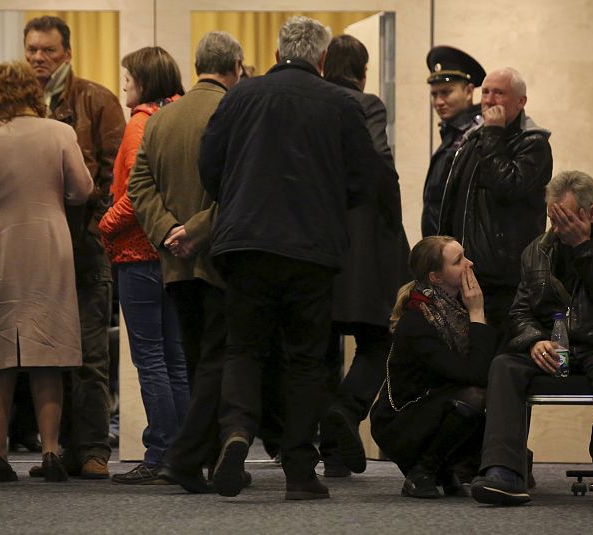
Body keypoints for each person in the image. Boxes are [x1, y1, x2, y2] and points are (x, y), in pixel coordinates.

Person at [199, 16, 393, 501]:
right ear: (322, 59)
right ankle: (300, 473)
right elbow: (367, 177)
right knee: (306, 360)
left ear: (277, 49)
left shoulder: (240, 96)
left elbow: (209, 166)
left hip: (244, 244)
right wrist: (329, 203)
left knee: (244, 348)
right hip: (310, 249)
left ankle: (238, 432)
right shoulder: (338, 104)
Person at [470, 170, 593, 506]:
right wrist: (534, 340)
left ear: (590, 214)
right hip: (557, 346)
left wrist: (583, 247)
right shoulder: (537, 251)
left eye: (565, 219)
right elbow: (519, 313)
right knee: (504, 366)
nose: (557, 229)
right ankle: (503, 471)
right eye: (553, 219)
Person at [127, 31, 243, 493]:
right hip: (219, 258)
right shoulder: (234, 114)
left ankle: (197, 461)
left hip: (172, 264)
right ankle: (193, 457)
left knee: (196, 361)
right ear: (235, 66)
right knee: (218, 361)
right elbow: (237, 188)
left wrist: (168, 232)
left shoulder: (159, 119)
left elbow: (138, 186)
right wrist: (194, 232)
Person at [0, 61, 93, 483]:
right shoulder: (58, 132)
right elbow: (83, 190)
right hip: (46, 245)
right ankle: (52, 450)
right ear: (32, 93)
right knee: (47, 353)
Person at [24, 15, 125, 479]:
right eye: (32, 51)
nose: (38, 59)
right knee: (46, 353)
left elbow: (114, 176)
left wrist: (95, 227)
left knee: (89, 355)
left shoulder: (97, 100)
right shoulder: (19, 103)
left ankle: (92, 450)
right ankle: (57, 448)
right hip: (37, 251)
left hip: (84, 247)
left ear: (67, 54)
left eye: (47, 51)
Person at [318, 34, 410, 478]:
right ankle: (347, 408)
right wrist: (396, 231)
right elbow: (380, 166)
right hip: (365, 245)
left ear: (323, 66)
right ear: (364, 71)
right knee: (379, 338)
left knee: (319, 347)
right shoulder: (366, 104)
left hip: (316, 242)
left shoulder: (312, 101)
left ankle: (332, 451)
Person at [98, 46, 187, 485]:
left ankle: (160, 454)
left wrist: (104, 225)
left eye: (129, 77)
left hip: (137, 253)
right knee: (176, 359)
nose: (124, 84)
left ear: (145, 80)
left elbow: (135, 193)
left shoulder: (141, 123)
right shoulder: (178, 116)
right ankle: (186, 452)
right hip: (172, 254)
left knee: (151, 359)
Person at [369, 236, 495, 499]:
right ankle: (423, 470)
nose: (470, 264)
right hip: (398, 422)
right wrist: (477, 313)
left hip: (430, 407)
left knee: (497, 390)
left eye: (465, 255)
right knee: (474, 396)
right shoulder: (418, 320)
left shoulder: (456, 311)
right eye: (459, 261)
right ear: (436, 278)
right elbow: (474, 374)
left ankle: (442, 466)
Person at [438, 67, 553, 348]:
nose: (488, 100)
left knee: (496, 356)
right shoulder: (474, 139)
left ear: (520, 102)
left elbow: (506, 187)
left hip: (504, 279)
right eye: (485, 92)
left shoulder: (533, 144)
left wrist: (493, 135)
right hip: (466, 272)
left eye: (498, 93)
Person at [421, 46, 484, 238]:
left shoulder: (476, 135)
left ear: (468, 91)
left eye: (446, 92)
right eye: (434, 94)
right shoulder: (452, 133)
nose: (438, 102)